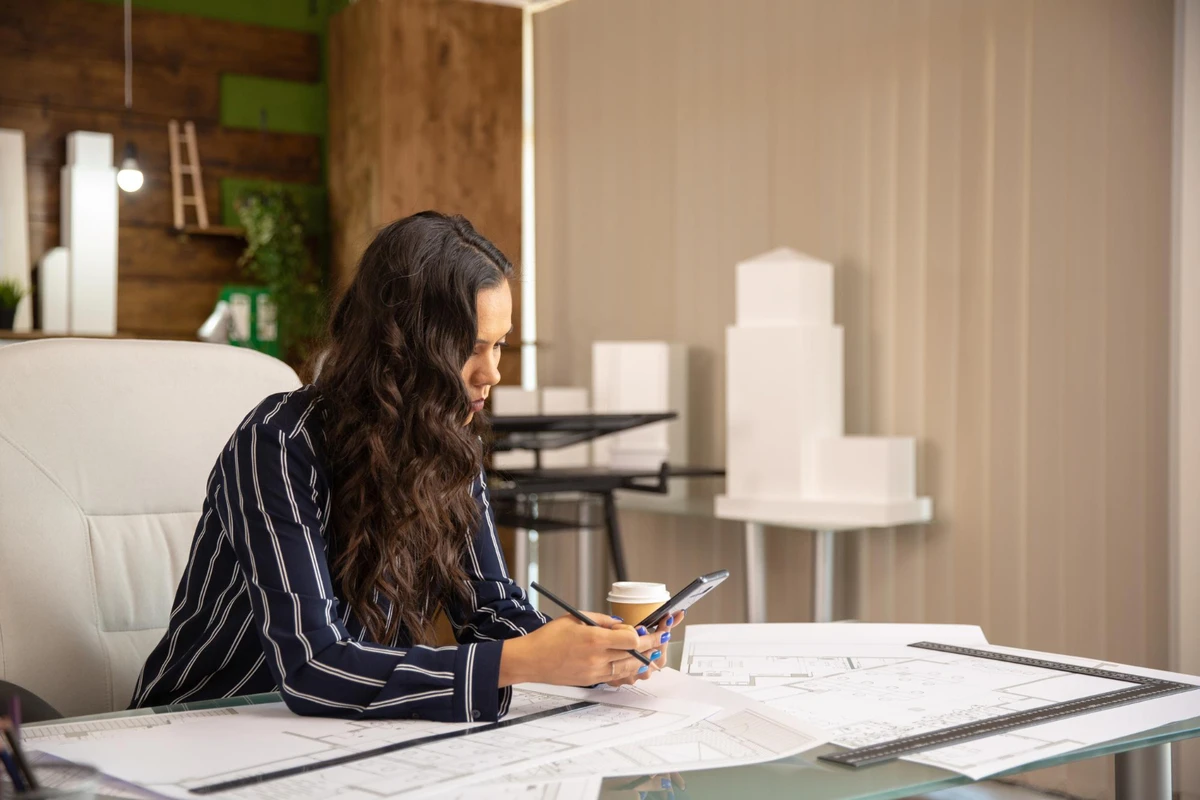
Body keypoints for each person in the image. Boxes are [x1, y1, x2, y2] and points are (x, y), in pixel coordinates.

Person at [131, 212, 676, 722]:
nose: (492, 373)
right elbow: (312, 668)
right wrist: (523, 661)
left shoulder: (447, 441)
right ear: (405, 346)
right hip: (204, 724)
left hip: (340, 735)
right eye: (471, 347)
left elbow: (489, 608)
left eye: (500, 345)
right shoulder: (277, 441)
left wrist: (589, 652)